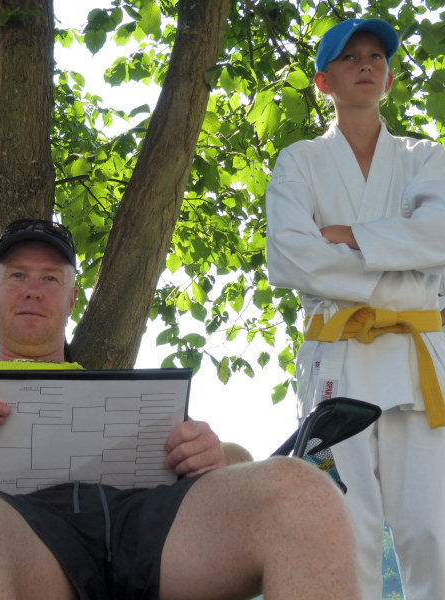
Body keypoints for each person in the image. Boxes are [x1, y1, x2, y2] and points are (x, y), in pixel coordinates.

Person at [0, 218, 360, 599]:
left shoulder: (116, 389)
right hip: (20, 534)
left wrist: (216, 454)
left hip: (144, 528)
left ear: (72, 298)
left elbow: (239, 464)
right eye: (18, 275)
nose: (33, 291)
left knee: (301, 489)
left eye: (51, 279)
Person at [266, 17, 445, 599]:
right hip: (338, 360)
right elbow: (292, 257)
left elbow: (441, 235)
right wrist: (404, 275)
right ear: (323, 81)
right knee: (348, 531)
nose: (366, 63)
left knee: (433, 531)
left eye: (376, 56)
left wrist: (352, 237)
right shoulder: (299, 161)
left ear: (389, 78)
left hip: (417, 364)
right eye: (349, 57)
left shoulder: (427, 157)